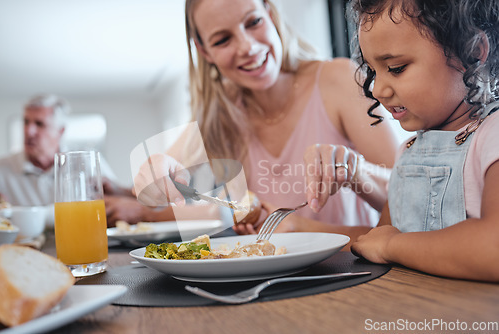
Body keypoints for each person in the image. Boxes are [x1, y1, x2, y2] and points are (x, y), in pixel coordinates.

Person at [134, 0, 401, 235]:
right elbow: (155, 191)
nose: (247, 47)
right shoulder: (222, 114)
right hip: (274, 283)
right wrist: (155, 168)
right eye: (222, 40)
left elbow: (409, 193)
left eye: (253, 22)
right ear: (205, 52)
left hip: (356, 273)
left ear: (270, 14)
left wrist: (354, 170)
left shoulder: (339, 79)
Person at [316, 0, 499, 281]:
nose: (377, 90)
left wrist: (392, 246)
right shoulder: (409, 151)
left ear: (472, 53)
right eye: (373, 71)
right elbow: (376, 240)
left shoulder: (492, 136)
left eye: (397, 68)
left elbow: (493, 249)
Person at [0, 94, 151, 226]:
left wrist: (116, 190)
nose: (28, 131)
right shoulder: (2, 168)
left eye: (39, 124)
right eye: (26, 122)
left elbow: (123, 205)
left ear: (60, 131)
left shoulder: (87, 161)